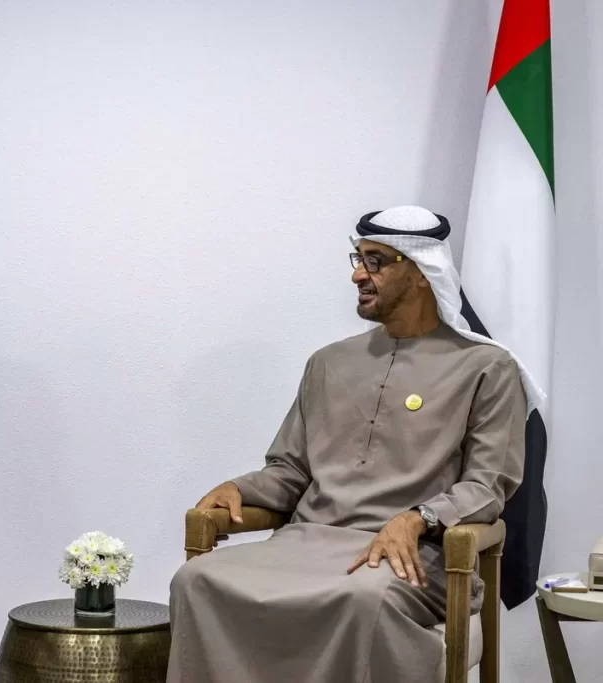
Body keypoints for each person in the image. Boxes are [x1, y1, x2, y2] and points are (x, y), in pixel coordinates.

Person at [167, 206, 543, 683]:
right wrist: (237, 488)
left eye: (375, 262)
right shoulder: (328, 362)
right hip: (307, 542)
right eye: (359, 258)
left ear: (422, 272)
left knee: (367, 598)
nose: (358, 274)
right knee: (196, 579)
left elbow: (488, 486)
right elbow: (291, 471)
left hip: (416, 554)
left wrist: (418, 518)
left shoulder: (487, 367)